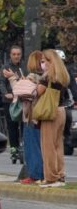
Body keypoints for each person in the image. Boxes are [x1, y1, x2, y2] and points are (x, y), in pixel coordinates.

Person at [36, 49, 70, 187]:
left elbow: (38, 92)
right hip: (61, 110)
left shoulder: (47, 77)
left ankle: (50, 177)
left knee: (48, 146)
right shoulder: (62, 75)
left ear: (51, 61)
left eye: (44, 60)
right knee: (58, 145)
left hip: (50, 112)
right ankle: (60, 174)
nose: (42, 63)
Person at [9, 51, 44, 184]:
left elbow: (20, 91)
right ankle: (41, 172)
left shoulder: (32, 77)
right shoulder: (45, 77)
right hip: (41, 115)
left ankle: (34, 174)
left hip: (30, 115)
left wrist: (12, 79)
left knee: (31, 145)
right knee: (40, 146)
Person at [0, 45, 25, 157]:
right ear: (10, 55)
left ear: (21, 55)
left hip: (22, 99)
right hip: (9, 101)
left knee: (24, 124)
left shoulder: (24, 66)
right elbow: (1, 82)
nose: (16, 56)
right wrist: (6, 93)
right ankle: (14, 147)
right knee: (12, 125)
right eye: (14, 54)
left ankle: (23, 145)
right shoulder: (5, 67)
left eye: (18, 54)